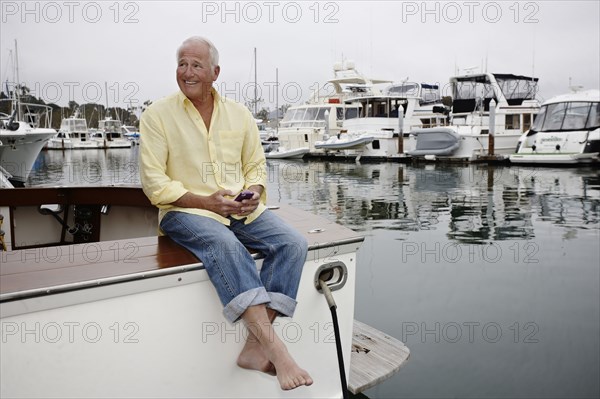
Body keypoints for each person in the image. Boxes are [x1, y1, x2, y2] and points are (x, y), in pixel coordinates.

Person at [139, 36, 313, 391]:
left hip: (239, 208)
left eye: (196, 65)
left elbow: (255, 166)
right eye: (182, 64)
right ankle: (276, 350)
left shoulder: (240, 114)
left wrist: (255, 193)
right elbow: (154, 184)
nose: (187, 72)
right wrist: (207, 203)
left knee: (293, 243)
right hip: (183, 210)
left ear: (215, 72)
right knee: (227, 246)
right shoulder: (157, 115)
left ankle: (252, 348)